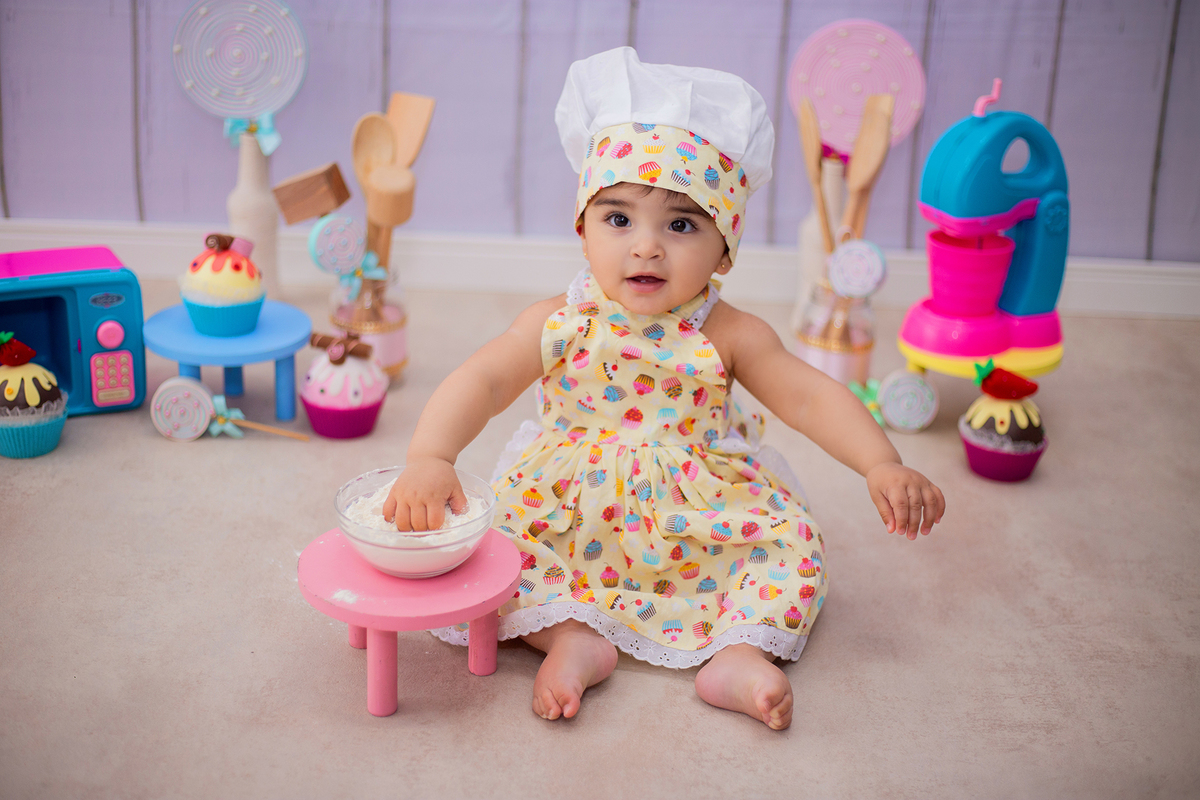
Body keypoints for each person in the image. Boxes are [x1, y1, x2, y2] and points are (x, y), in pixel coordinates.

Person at [384, 47, 945, 730]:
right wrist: (431, 455)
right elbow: (483, 378)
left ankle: (736, 654)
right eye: (618, 219)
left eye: (681, 225)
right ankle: (571, 635)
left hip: (699, 505)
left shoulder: (729, 332)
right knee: (498, 554)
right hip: (574, 499)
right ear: (583, 229)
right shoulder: (559, 321)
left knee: (791, 544)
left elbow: (806, 395)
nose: (646, 247)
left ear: (725, 248)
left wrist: (878, 460)